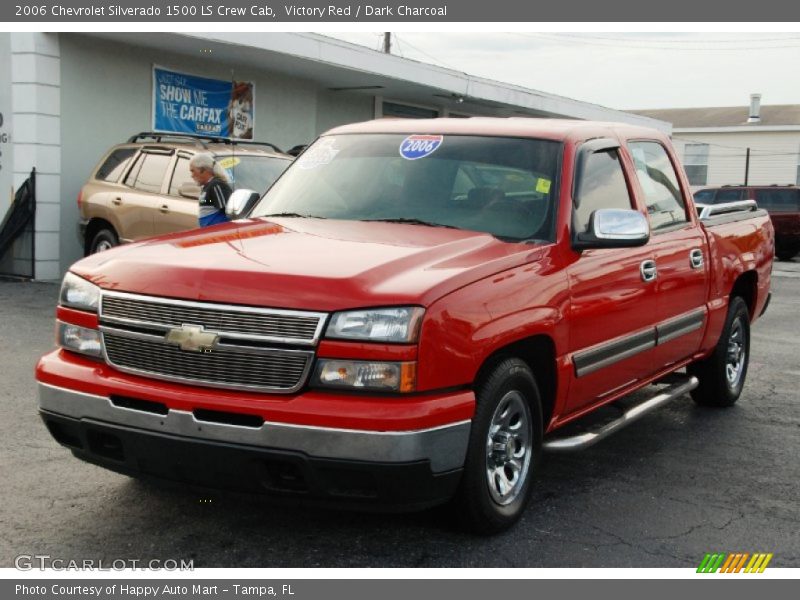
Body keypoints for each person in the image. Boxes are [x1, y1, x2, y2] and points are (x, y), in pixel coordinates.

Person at [190, 153, 233, 227]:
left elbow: (227, 211)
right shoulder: (207, 186)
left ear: (202, 170)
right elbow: (211, 202)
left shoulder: (216, 185)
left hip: (218, 233)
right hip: (208, 232)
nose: (192, 175)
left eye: (193, 171)